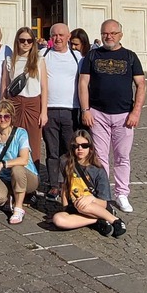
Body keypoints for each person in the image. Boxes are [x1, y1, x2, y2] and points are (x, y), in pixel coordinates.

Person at [78, 20, 146, 213]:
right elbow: (83, 83)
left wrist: (136, 112)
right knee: (100, 157)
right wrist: (85, 110)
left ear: (120, 35)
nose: (109, 36)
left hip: (124, 116)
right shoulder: (92, 55)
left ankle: (122, 193)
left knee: (122, 156)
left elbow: (141, 85)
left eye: (113, 33)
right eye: (105, 33)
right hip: (98, 114)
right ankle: (103, 193)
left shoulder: (130, 57)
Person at [49, 129, 126, 237]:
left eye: (84, 146)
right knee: (58, 219)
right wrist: (65, 208)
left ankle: (115, 220)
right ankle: (96, 220)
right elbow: (65, 188)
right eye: (76, 146)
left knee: (82, 205)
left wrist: (91, 199)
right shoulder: (64, 161)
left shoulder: (98, 170)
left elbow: (104, 202)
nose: (80, 149)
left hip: (95, 206)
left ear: (90, 148)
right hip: (75, 206)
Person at [40, 23, 81, 201]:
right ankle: (53, 185)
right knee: (52, 150)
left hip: (71, 109)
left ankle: (68, 182)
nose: (57, 38)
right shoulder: (43, 55)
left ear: (68, 36)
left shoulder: (77, 57)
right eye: (54, 35)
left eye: (61, 35)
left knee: (69, 149)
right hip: (49, 108)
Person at [0, 99, 38, 223]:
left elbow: (24, 159)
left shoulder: (21, 133)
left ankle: (18, 208)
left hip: (26, 175)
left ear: (12, 117)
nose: (3, 119)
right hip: (4, 177)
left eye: (6, 116)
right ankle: (10, 198)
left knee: (16, 169)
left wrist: (2, 164)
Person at [5, 28, 47, 145]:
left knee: (33, 141)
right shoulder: (10, 61)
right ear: (17, 41)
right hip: (14, 104)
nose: (26, 43)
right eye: (22, 40)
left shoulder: (39, 60)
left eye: (29, 40)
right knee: (13, 141)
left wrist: (44, 112)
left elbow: (44, 87)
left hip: (33, 104)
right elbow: (5, 86)